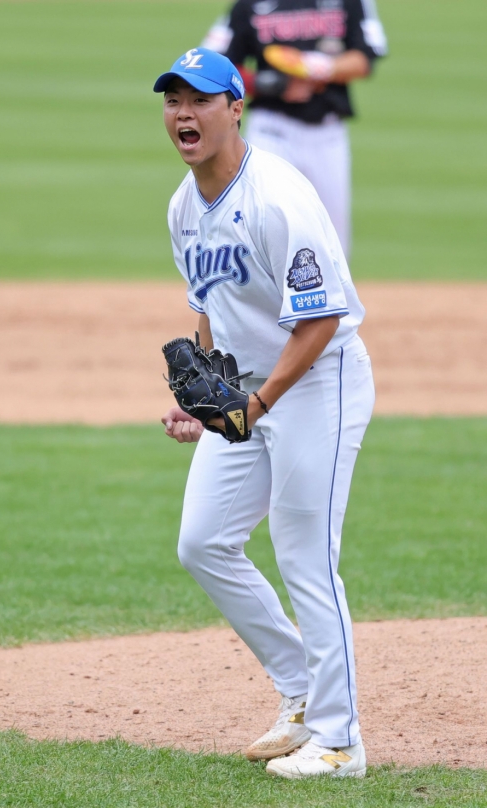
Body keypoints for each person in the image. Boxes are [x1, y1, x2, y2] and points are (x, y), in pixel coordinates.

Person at [154, 47, 375, 778]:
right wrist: (206, 402)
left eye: (201, 100)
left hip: (319, 382)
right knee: (203, 541)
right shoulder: (184, 206)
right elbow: (211, 312)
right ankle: (303, 693)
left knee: (305, 552)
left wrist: (258, 401)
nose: (184, 114)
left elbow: (321, 321)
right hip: (250, 392)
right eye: (173, 101)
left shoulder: (279, 195)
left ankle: (341, 742)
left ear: (235, 107)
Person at [201, 0, 388, 258]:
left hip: (328, 136)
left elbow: (365, 58)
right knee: (258, 233)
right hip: (270, 133)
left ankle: (331, 298)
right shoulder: (249, 4)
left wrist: (320, 69)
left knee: (333, 242)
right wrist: (266, 84)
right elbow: (213, 64)